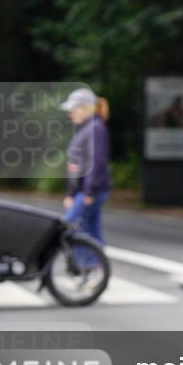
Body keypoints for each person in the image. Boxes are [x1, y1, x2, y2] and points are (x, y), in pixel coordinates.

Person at [61, 88, 112, 253]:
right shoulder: (87, 128)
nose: (70, 114)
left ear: (85, 108)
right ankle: (98, 268)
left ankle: (87, 266)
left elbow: (96, 162)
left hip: (90, 190)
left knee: (70, 226)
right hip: (86, 189)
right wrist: (71, 193)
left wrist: (88, 192)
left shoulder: (95, 128)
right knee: (91, 229)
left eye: (73, 109)